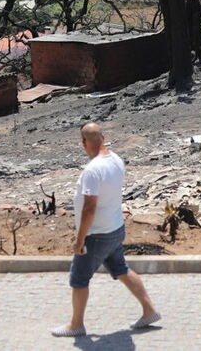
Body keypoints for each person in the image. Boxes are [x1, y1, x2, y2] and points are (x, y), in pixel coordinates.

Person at [51, 123, 161, 337]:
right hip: (115, 228)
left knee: (79, 278)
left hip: (97, 234)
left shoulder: (93, 170)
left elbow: (90, 207)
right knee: (121, 269)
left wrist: (80, 238)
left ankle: (76, 325)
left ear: (84, 143)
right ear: (103, 137)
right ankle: (149, 310)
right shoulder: (116, 160)